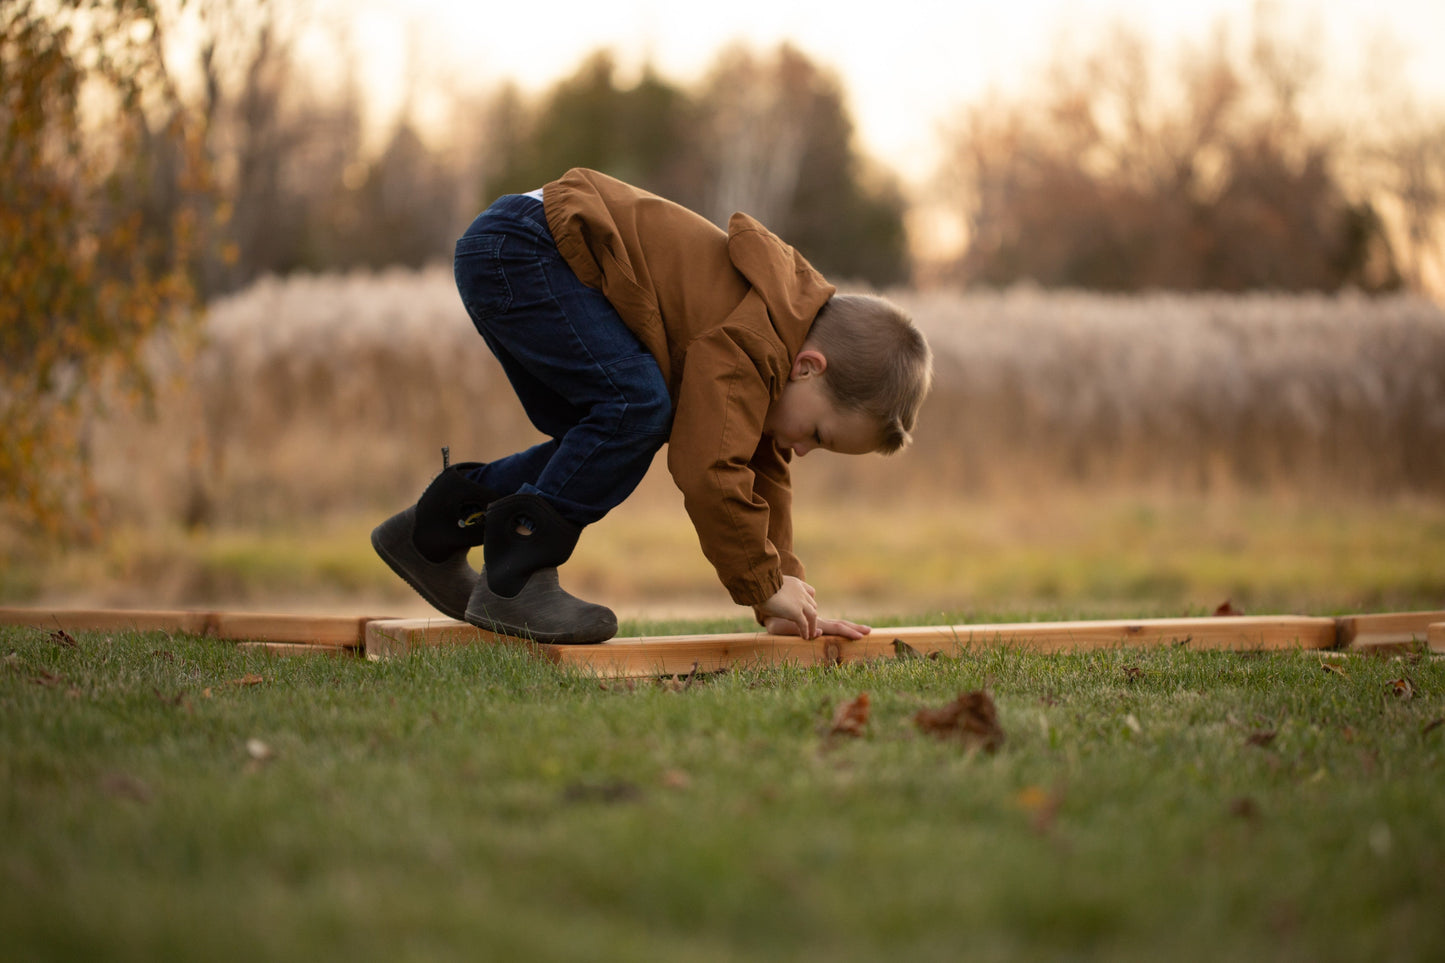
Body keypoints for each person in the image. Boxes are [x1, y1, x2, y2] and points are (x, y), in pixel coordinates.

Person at [372, 168, 932, 644]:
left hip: (519, 249)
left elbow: (761, 476)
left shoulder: (776, 347)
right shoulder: (753, 342)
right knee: (636, 409)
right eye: (820, 434)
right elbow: (708, 469)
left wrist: (780, 597)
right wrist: (762, 582)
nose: (804, 450)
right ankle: (515, 578)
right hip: (527, 249)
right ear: (809, 366)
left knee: (604, 436)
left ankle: (433, 530)